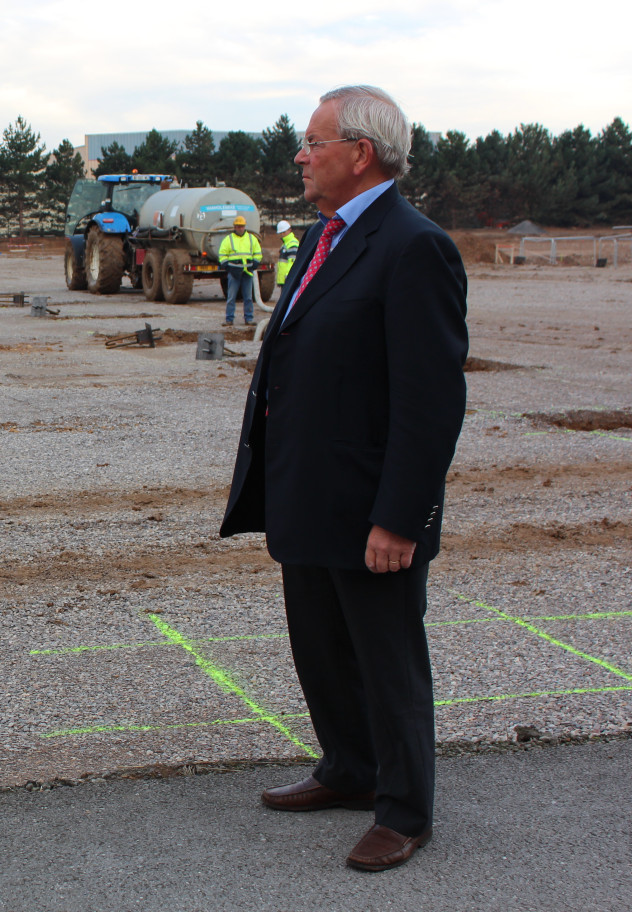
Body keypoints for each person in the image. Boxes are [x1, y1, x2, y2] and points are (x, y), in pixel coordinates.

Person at [219, 85, 468, 872]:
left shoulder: (412, 245)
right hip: (308, 495)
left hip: (370, 509)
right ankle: (349, 770)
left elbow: (430, 404)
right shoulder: (326, 237)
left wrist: (401, 516)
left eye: (313, 142)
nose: (301, 156)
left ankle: (403, 810)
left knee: (386, 662)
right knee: (322, 649)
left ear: (360, 153)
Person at [218, 215, 262, 325]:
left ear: (244, 227)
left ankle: (249, 318)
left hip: (247, 272)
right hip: (234, 273)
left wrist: (255, 263)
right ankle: (229, 319)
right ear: (234, 227)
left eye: (241, 226)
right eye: (238, 226)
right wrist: (227, 267)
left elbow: (258, 252)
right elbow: (222, 254)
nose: (240, 228)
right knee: (231, 297)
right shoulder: (228, 239)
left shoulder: (251, 238)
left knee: (248, 297)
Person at [271, 220, 299, 303]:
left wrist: (288, 275)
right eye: (281, 233)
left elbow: (292, 262)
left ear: (289, 230)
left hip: (288, 278)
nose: (282, 235)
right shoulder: (285, 244)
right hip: (284, 279)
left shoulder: (292, 244)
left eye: (284, 232)